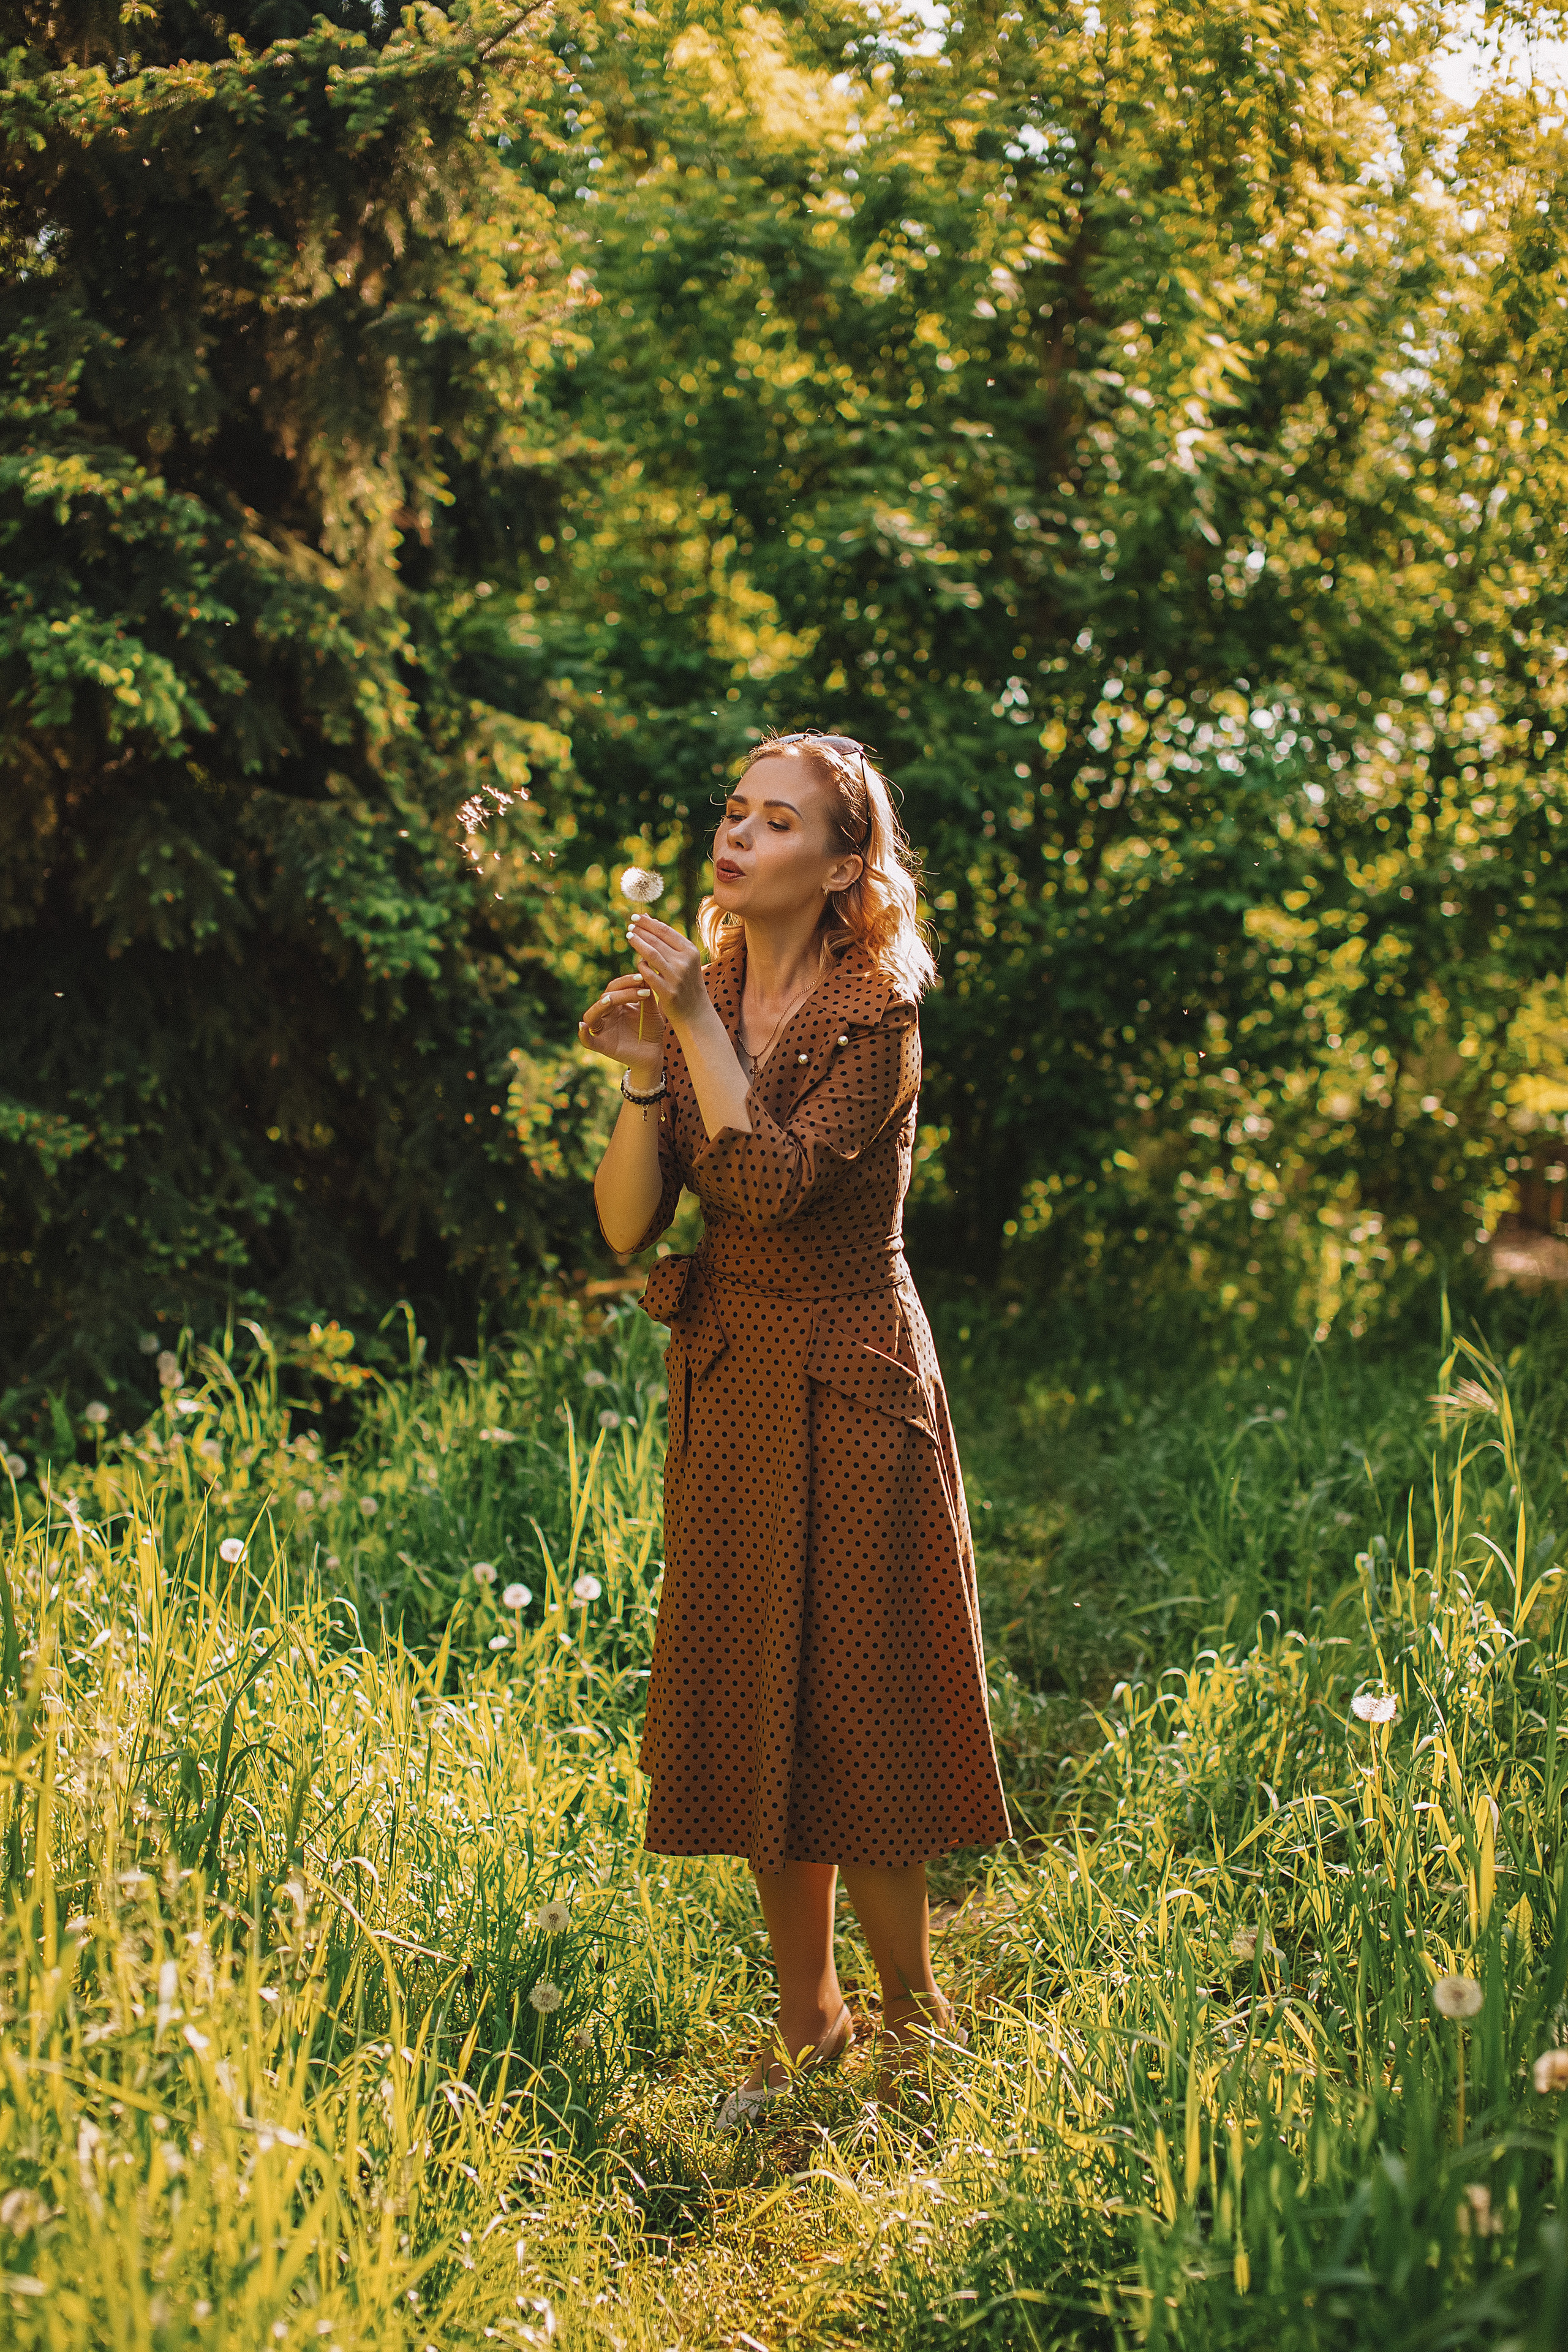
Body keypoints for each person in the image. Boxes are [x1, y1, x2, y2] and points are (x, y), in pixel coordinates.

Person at [579, 730, 1009, 2120]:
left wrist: (696, 1030)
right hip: (734, 1377)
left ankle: (911, 2004)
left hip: (852, 1369)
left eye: (778, 820)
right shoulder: (704, 995)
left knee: (861, 1694)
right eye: (733, 812)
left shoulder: (875, 1008)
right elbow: (630, 1220)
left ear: (840, 867)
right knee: (763, 1684)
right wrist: (651, 1069)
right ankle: (807, 2014)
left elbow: (763, 1191)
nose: (739, 834)